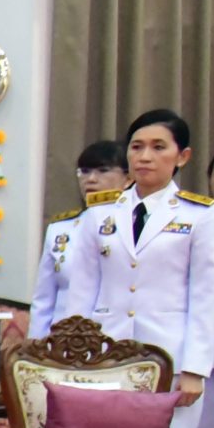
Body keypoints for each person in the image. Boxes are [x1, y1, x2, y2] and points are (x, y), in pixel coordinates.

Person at [57, 109, 213, 428]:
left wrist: (195, 368)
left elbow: (205, 296)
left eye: (158, 147)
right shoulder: (100, 213)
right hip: (108, 357)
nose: (144, 156)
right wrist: (72, 358)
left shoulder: (200, 216)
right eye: (137, 147)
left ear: (182, 157)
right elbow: (81, 291)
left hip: (172, 357)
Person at [32, 140, 130, 337]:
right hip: (64, 342)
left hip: (117, 340)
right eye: (84, 171)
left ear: (128, 178)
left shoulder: (135, 226)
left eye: (103, 170)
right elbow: (44, 301)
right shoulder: (60, 229)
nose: (91, 179)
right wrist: (35, 345)